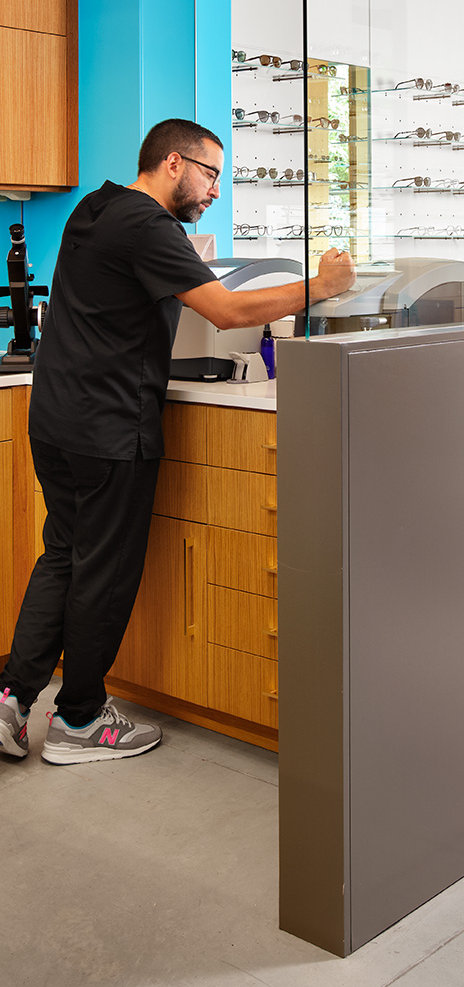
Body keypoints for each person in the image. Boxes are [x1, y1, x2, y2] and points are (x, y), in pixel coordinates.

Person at [0, 119, 355, 766]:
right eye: (210, 172)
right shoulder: (148, 225)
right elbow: (224, 309)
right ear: (172, 163)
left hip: (55, 419)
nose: (215, 190)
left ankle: (12, 699)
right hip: (108, 428)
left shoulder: (96, 206)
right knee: (103, 574)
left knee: (64, 555)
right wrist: (320, 288)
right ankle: (79, 719)